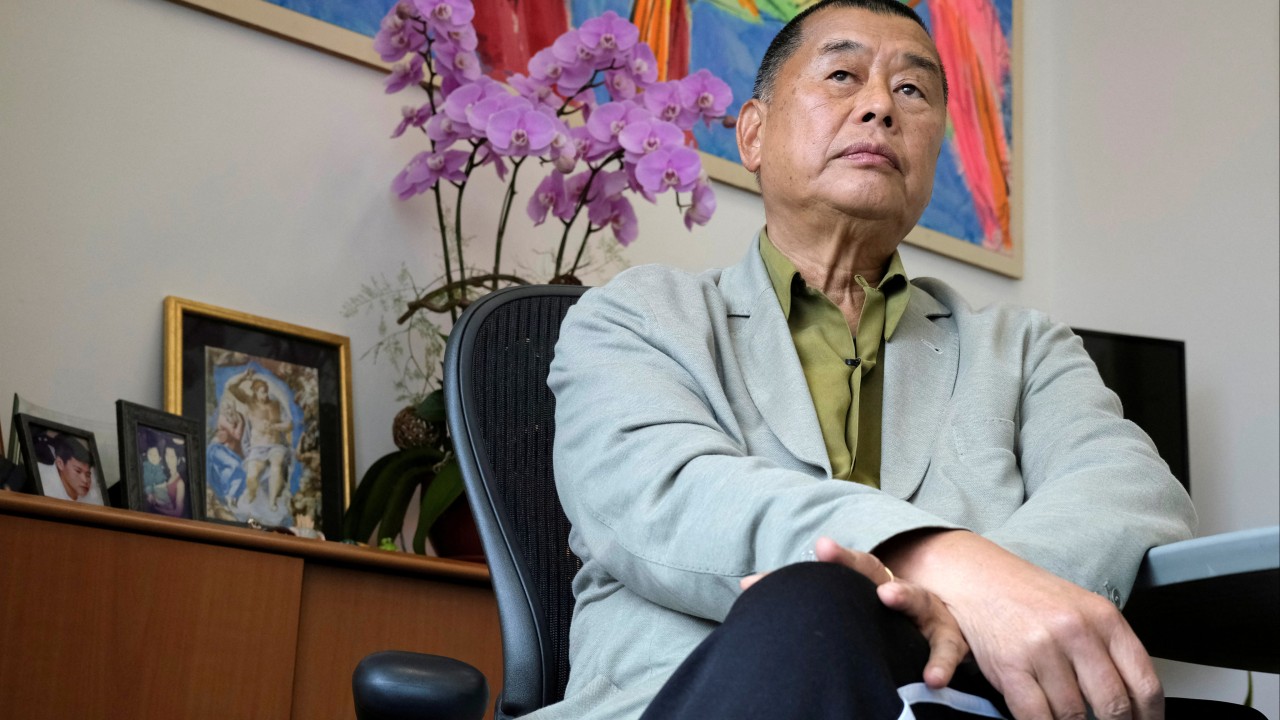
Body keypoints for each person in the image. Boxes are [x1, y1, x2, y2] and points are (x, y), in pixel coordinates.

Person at [544, 1, 1197, 719]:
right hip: (699, 698)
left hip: (963, 702)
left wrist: (979, 600)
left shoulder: (1025, 348)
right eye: (843, 76)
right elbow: (667, 493)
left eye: (911, 90)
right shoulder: (636, 316)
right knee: (811, 605)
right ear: (753, 134)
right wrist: (931, 554)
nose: (880, 106)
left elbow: (1131, 490)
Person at [225, 368, 295, 511]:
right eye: (262, 392)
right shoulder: (250, 403)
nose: (265, 395)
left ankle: (272, 501)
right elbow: (231, 387)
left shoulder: (276, 405)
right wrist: (243, 376)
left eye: (266, 391)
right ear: (255, 392)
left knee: (276, 464)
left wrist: (275, 426)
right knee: (251, 476)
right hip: (258, 448)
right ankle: (252, 493)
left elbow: (289, 424)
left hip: (275, 445)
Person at [37, 432, 104, 505]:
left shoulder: (94, 497)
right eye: (78, 471)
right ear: (60, 464)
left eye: (88, 475)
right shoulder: (41, 480)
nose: (85, 480)